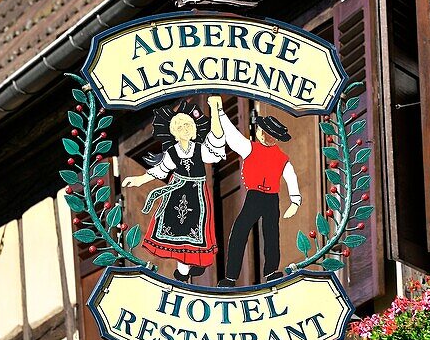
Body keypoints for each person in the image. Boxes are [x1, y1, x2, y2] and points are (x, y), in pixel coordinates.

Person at [122, 97, 225, 281]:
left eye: (187, 126)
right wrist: (139, 180)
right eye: (179, 127)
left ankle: (197, 265)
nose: (183, 130)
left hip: (196, 193)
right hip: (177, 193)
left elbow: (216, 144)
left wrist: (216, 111)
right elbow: (160, 170)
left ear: (193, 130)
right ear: (174, 132)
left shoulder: (199, 149)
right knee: (179, 235)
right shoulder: (172, 153)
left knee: (197, 231)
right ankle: (183, 273)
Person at [216, 99, 301, 286]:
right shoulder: (250, 148)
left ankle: (271, 272)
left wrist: (295, 201)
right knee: (239, 231)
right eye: (264, 133)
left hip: (271, 198)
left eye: (271, 136)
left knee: (271, 235)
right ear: (259, 131)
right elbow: (232, 136)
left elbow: (291, 177)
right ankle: (230, 277)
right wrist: (220, 112)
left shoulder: (281, 157)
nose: (266, 137)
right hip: (255, 196)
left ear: (276, 138)